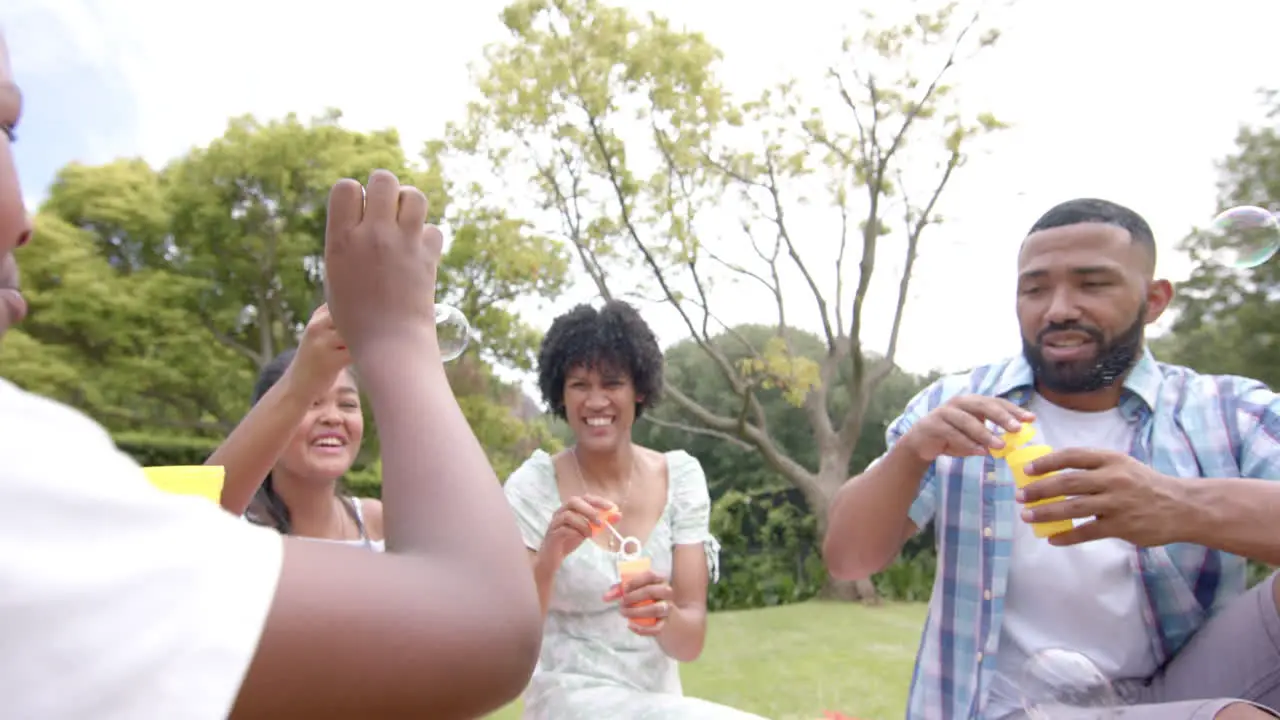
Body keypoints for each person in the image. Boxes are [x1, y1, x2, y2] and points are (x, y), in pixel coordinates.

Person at [0, 31, 541, 719]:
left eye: (346, 402)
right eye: (8, 130)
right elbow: (483, 621)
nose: (26, 219)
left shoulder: (379, 517)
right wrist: (402, 337)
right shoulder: (221, 530)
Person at [824, 197, 1280, 720]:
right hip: (1013, 708)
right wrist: (909, 454)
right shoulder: (956, 408)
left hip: (1188, 685)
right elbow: (847, 559)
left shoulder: (1229, 411)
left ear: (1153, 300)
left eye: (1092, 284)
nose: (1058, 308)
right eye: (1035, 288)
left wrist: (1182, 505)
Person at [503, 300, 767, 720]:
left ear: (639, 389)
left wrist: (664, 614)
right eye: (579, 385)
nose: (595, 401)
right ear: (559, 392)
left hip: (658, 702)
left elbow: (690, 643)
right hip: (567, 699)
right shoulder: (533, 487)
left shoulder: (680, 478)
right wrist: (549, 559)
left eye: (612, 383)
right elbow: (508, 643)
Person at [207, 305, 385, 550]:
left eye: (347, 404)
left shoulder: (377, 522)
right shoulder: (233, 528)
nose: (333, 417)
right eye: (312, 402)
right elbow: (186, 526)